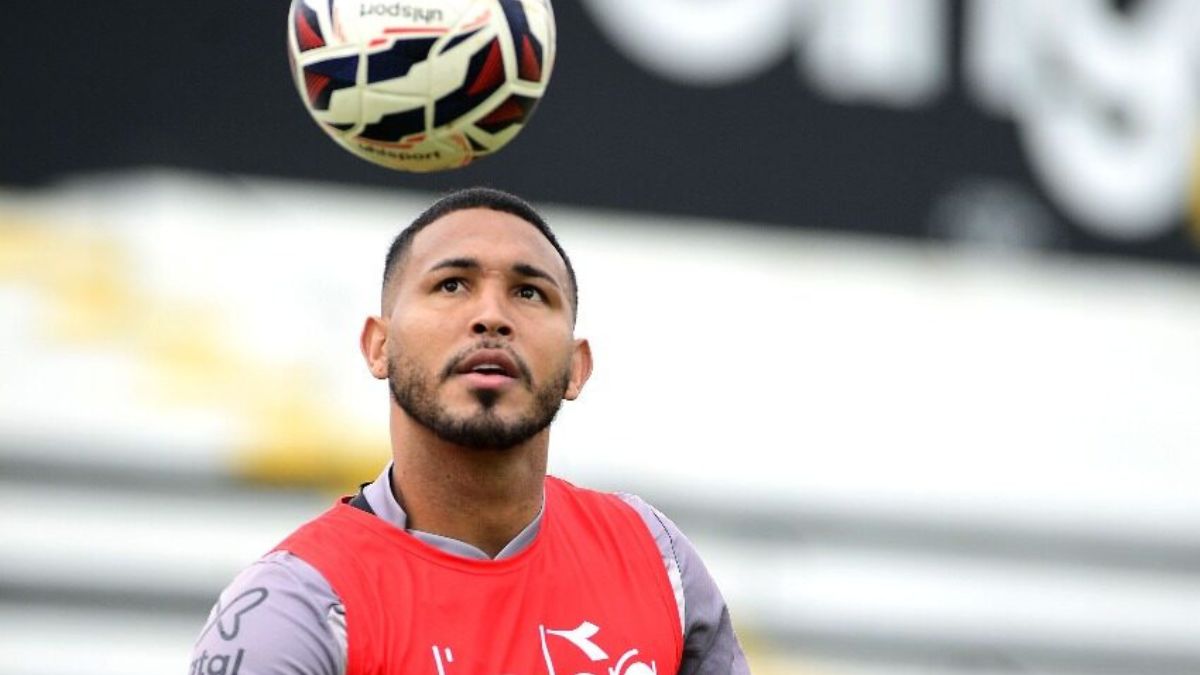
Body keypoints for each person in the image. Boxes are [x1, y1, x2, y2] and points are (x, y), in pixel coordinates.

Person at [190, 187, 749, 675]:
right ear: (379, 346)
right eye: (452, 284)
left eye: (529, 292)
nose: (491, 317)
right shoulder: (295, 607)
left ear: (576, 368)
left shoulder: (654, 555)